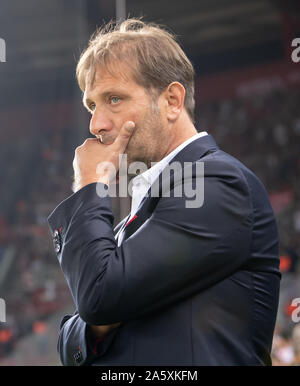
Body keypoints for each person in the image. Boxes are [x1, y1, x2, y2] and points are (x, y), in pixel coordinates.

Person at [47, 18, 281, 366]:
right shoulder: (140, 213)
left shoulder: (217, 183)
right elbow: (70, 343)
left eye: (114, 99)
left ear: (172, 100)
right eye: (92, 106)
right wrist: (96, 321)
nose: (96, 125)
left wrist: (89, 184)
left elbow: (98, 298)